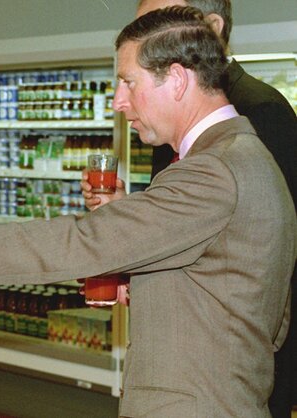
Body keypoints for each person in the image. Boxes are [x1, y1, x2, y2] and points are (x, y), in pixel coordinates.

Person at [0, 7, 296, 417]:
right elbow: (254, 304)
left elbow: (81, 242)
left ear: (176, 79)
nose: (118, 101)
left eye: (128, 81)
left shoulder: (214, 171)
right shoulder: (244, 155)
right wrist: (152, 289)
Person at [83, 2, 297, 416]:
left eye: (163, 22)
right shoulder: (169, 112)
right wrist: (129, 211)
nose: (147, 33)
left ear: (211, 27)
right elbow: (193, 228)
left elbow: (267, 246)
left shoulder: (260, 111)